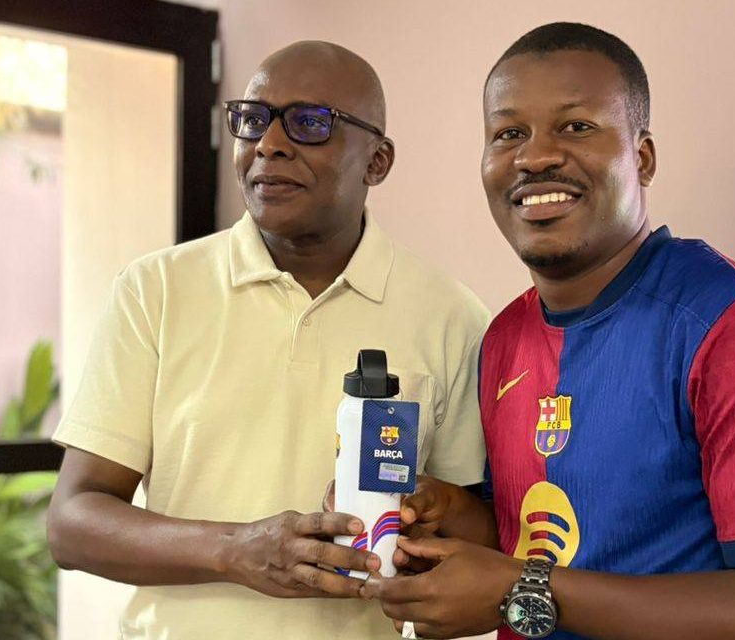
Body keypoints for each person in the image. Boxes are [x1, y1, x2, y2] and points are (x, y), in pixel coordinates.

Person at [365, 23, 735, 640]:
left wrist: (520, 591)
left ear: (642, 157)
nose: (535, 157)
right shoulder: (505, 336)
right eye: (509, 133)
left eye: (576, 126)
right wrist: (448, 517)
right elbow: (534, 537)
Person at [46, 41, 489, 640]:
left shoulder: (450, 316)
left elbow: (474, 534)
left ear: (377, 161)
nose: (269, 144)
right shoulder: (156, 290)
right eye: (252, 120)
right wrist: (237, 549)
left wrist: (424, 526)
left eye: (310, 122)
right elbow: (73, 523)